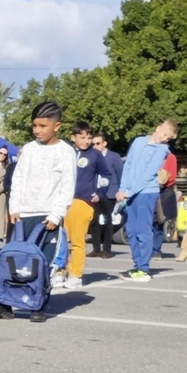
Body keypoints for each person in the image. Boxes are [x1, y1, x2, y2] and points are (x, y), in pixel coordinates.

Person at [0, 102, 76, 323]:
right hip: (23, 216)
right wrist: (14, 208)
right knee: (13, 259)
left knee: (43, 262)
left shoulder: (65, 152)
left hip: (47, 217)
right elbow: (19, 179)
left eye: (43, 126)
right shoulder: (29, 149)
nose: (37, 130)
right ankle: (3, 303)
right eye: (34, 125)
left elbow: (67, 186)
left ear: (57, 126)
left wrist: (56, 215)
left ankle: (38, 303)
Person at [116, 120, 177, 281]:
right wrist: (122, 189)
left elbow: (148, 174)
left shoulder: (161, 150)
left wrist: (129, 191)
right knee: (131, 230)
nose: (164, 138)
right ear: (157, 128)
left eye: (168, 138)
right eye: (164, 134)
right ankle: (137, 265)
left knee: (143, 230)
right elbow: (128, 165)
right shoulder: (138, 141)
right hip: (130, 193)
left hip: (146, 193)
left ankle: (143, 268)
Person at [59, 122, 113, 287]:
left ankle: (76, 275)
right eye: (82, 137)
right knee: (60, 239)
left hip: (83, 201)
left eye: (89, 138)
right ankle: (60, 271)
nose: (86, 141)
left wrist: (100, 193)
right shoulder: (65, 153)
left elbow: (106, 175)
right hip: (62, 200)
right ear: (73, 137)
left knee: (77, 239)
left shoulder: (95, 155)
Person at [90, 134, 124, 259]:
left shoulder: (113, 157)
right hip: (95, 193)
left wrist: (121, 190)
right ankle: (96, 249)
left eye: (98, 143)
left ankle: (107, 250)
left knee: (107, 221)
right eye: (93, 144)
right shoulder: (92, 156)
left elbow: (121, 174)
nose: (95, 146)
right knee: (94, 222)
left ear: (104, 144)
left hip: (110, 192)